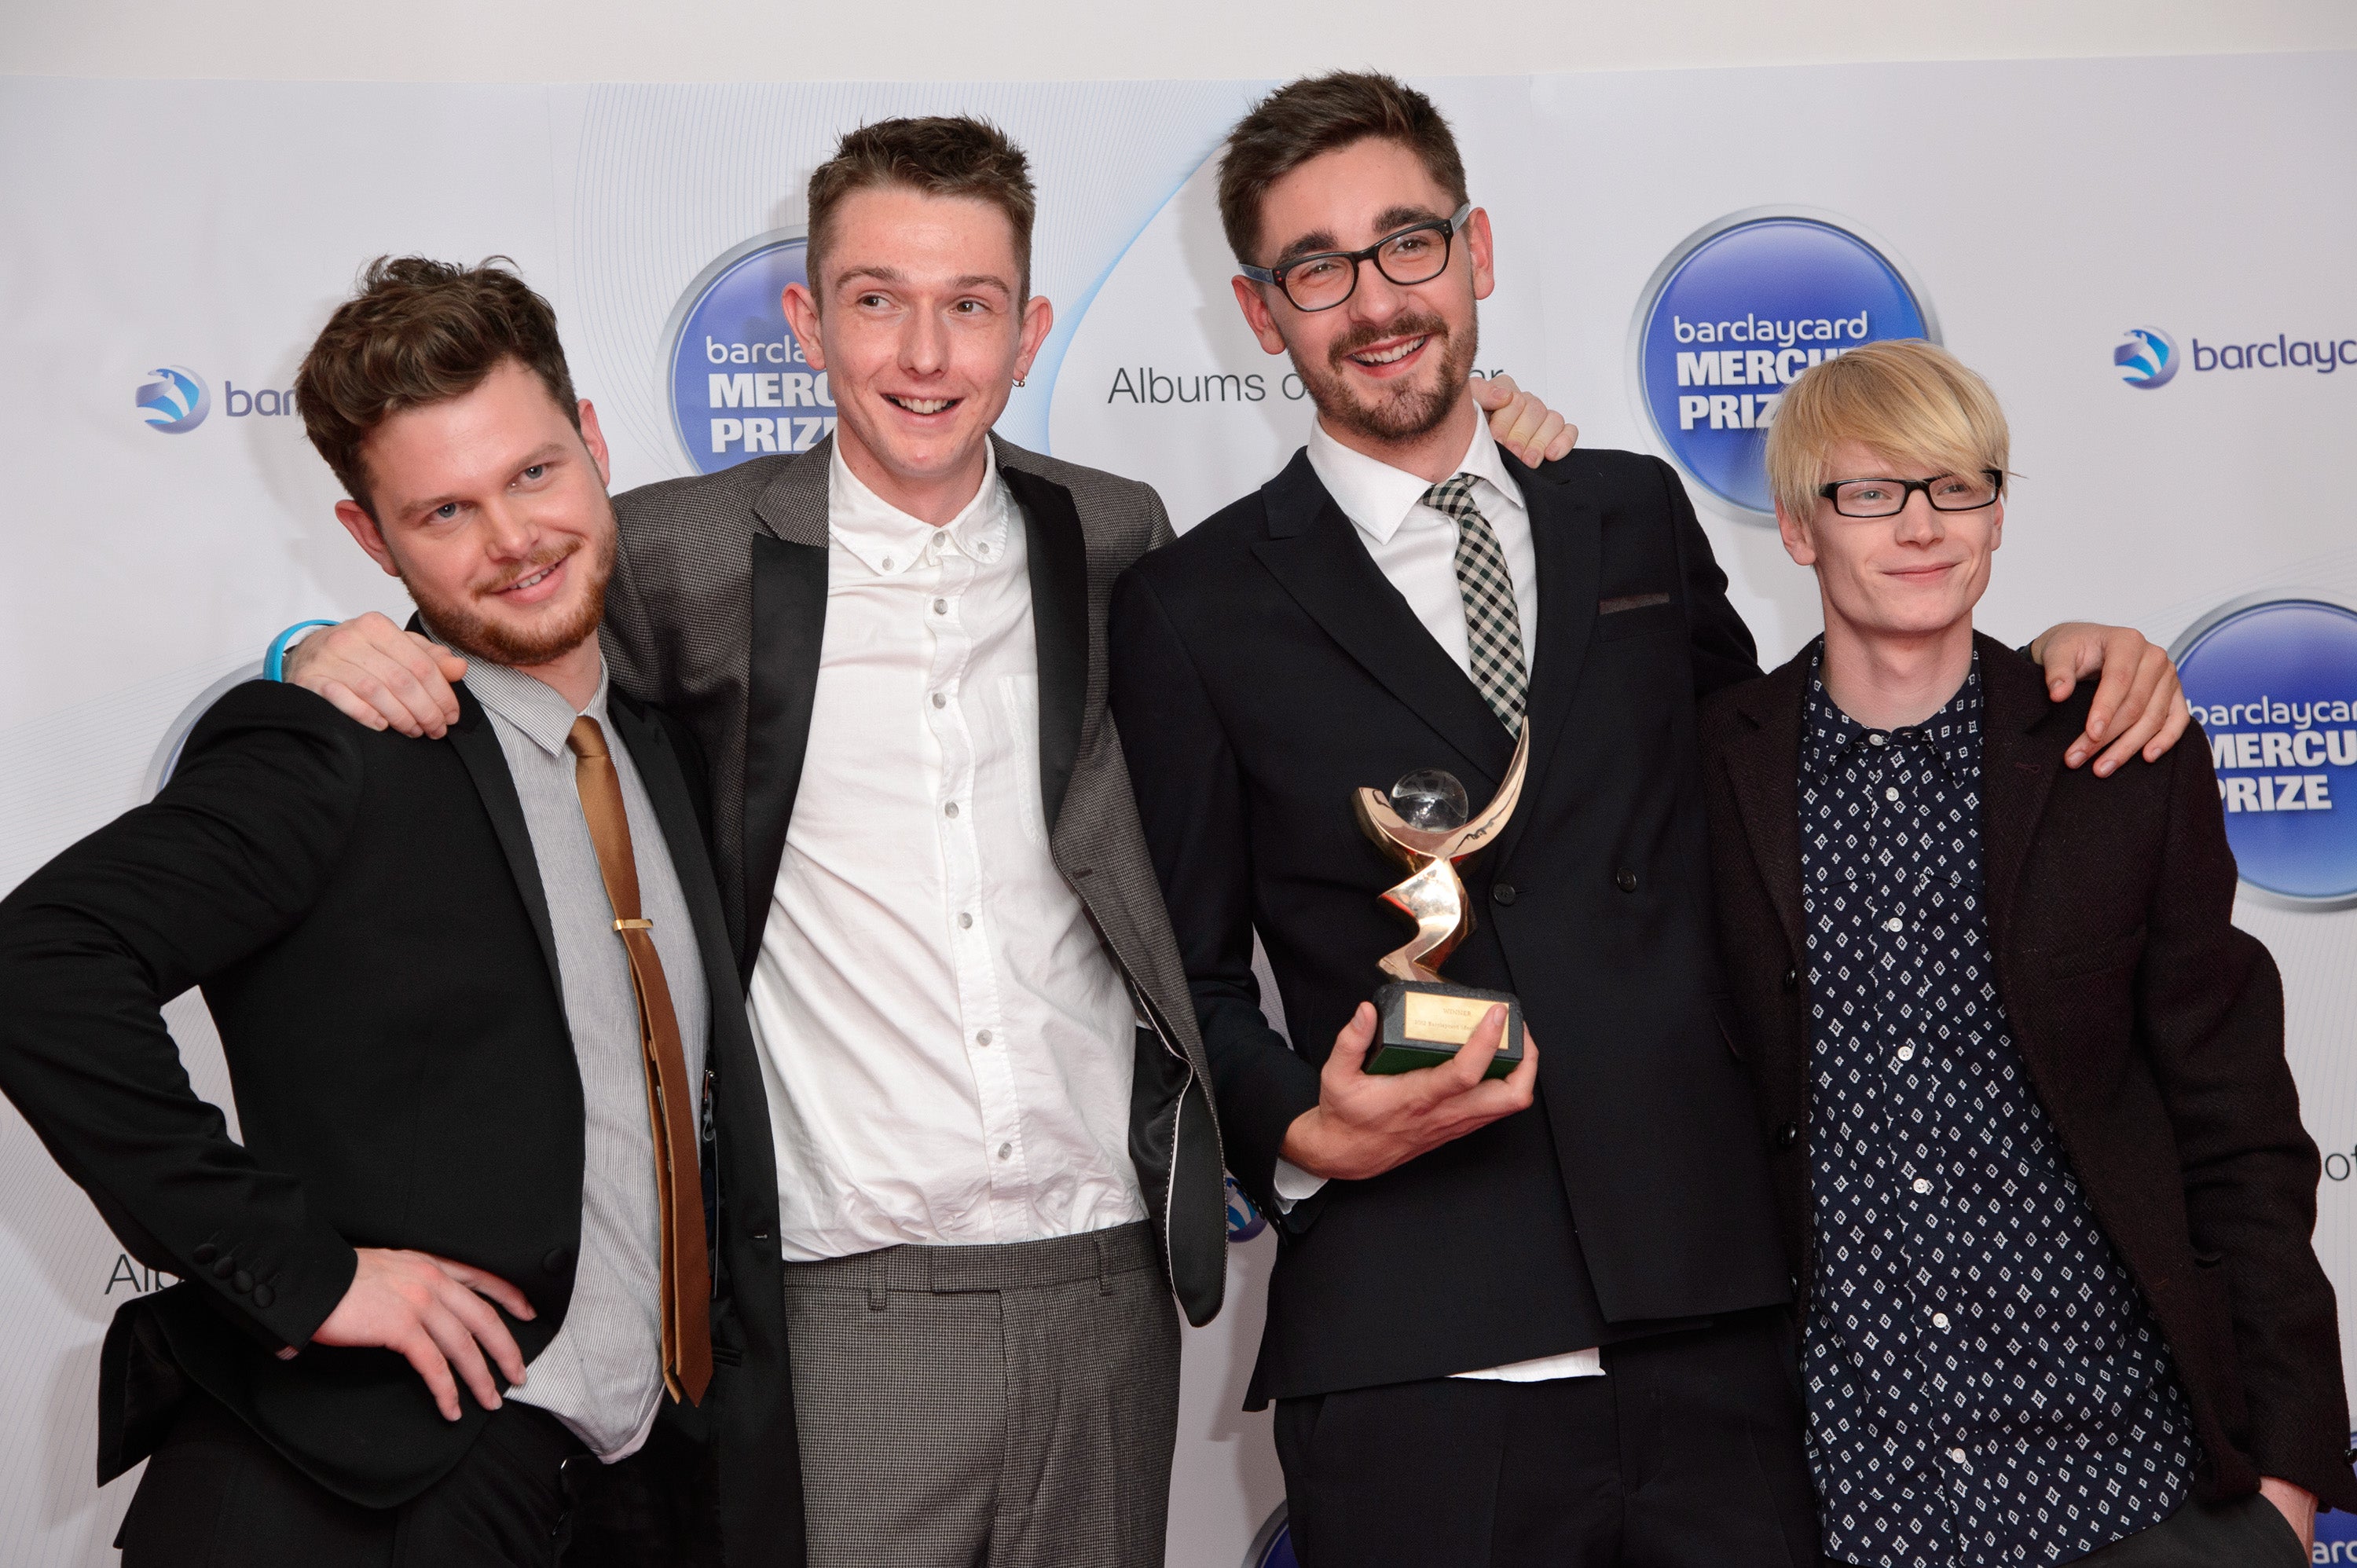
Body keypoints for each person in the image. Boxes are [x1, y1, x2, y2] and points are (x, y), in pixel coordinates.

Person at [276, 115, 1578, 1568]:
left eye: (970, 307)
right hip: (842, 1294)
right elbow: (511, 616)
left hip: (1108, 1278)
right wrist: (351, 651)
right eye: (877, 300)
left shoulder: (1119, 533)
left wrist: (1502, 446)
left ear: (1027, 334)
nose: (923, 354)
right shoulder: (682, 553)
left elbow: (1319, 595)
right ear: (807, 320)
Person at [1107, 71, 2194, 1567]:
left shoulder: (1626, 508)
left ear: (1477, 250)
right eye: (1318, 268)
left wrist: (2052, 669)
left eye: (1408, 244)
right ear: (1260, 311)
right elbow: (1185, 976)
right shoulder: (1191, 605)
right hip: (1421, 1346)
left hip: (1721, 1321)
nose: (1374, 301)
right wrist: (1299, 1124)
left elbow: (1785, 776)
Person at [0, 258, 796, 1566]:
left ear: (595, 442)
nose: (513, 540)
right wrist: (305, 1273)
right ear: (372, 539)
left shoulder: (668, 744)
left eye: (535, 474)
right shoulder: (330, 749)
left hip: (620, 1488)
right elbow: (41, 961)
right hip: (349, 1494)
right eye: (445, 512)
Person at [1697, 337, 2352, 1566]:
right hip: (1848, 1501)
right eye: (1871, 492)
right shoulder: (1714, 772)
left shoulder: (2115, 759)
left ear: (1995, 516)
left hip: (2139, 1488)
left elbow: (2240, 1126)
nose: (1923, 526)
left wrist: (2288, 1480)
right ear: (1798, 530)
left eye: (1960, 486)